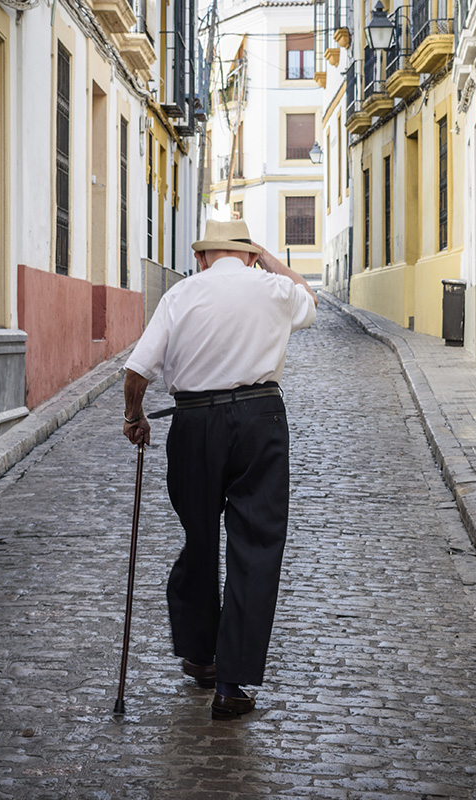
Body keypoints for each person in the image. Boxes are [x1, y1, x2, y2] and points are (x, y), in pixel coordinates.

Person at [121, 219, 317, 720]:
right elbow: (308, 298)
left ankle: (200, 655)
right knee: (255, 547)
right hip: (260, 419)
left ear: (205, 256)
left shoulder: (182, 294)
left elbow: (137, 370)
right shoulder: (273, 287)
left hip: (194, 423)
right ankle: (230, 687)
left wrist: (134, 416)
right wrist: (266, 256)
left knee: (200, 538)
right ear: (248, 255)